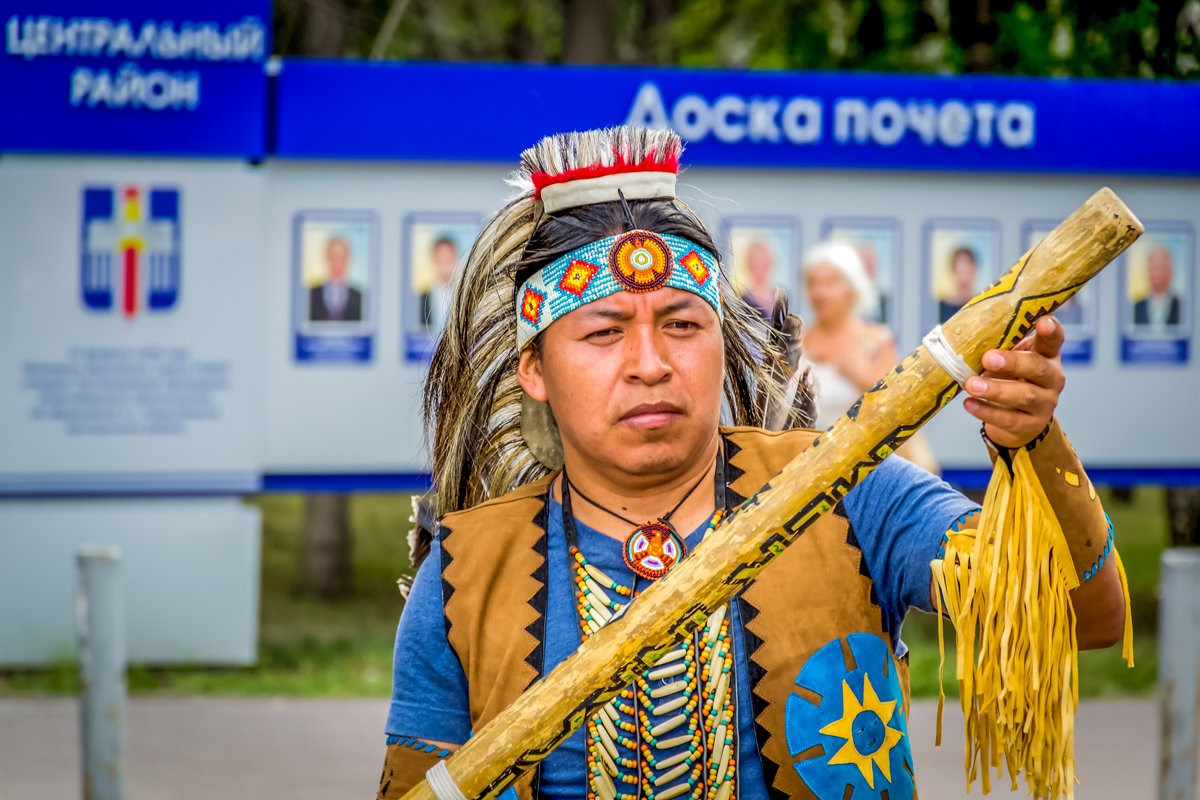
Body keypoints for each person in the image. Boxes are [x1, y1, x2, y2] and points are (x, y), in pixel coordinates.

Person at [378, 127, 1127, 800]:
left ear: (721, 342)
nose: (650, 364)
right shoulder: (466, 574)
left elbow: (1081, 614)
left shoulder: (846, 493)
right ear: (534, 370)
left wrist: (1033, 441)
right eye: (604, 333)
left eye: (681, 325)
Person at [800, 242, 938, 473]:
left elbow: (897, 407)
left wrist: (858, 376)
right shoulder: (795, 343)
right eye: (813, 283)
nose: (819, 293)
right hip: (805, 468)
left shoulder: (877, 342)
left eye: (830, 283)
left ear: (852, 288)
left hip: (865, 471)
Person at [309, 236, 364, 322]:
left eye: (342, 257)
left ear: (347, 260)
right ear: (327, 258)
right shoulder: (312, 295)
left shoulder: (359, 297)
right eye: (334, 256)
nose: (338, 262)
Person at [1133, 246, 1182, 328]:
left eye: (1161, 267)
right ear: (1147, 272)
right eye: (1154, 268)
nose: (1158, 273)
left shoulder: (1182, 307)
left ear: (1170, 271)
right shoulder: (1136, 308)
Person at [420, 236, 458, 330]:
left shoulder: (465, 298)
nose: (445, 264)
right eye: (441, 259)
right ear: (434, 260)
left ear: (455, 260)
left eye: (448, 259)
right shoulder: (422, 299)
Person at [738, 238, 777, 320]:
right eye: (756, 263)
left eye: (763, 262)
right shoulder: (744, 301)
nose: (760, 267)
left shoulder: (780, 296)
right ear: (750, 265)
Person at [937, 245, 978, 323]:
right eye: (961, 270)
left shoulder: (983, 305)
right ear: (953, 271)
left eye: (967, 271)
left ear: (974, 270)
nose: (964, 276)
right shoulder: (939, 309)